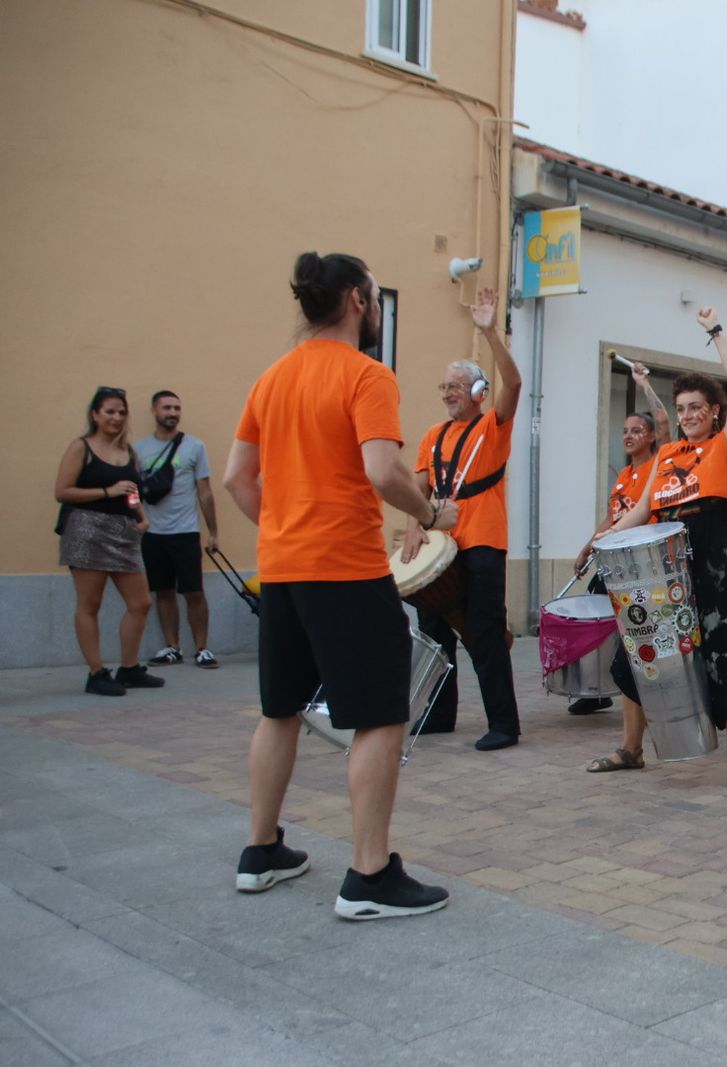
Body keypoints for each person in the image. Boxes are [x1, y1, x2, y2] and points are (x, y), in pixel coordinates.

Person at [224, 251, 458, 919]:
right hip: (348, 569)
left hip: (283, 569)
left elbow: (240, 479)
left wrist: (284, 528)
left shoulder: (271, 378)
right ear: (359, 300)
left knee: (280, 709)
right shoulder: (366, 374)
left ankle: (261, 850)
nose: (379, 310)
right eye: (376, 299)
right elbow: (383, 470)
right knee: (382, 716)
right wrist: (431, 514)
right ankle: (369, 875)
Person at [580, 307, 727, 793]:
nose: (689, 415)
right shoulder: (666, 455)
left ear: (715, 411)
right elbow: (645, 507)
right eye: (682, 407)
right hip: (661, 573)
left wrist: (715, 332)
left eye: (697, 407)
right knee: (639, 652)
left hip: (713, 570)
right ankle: (631, 750)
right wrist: (605, 539)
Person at [399, 290, 523, 752]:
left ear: (476, 392)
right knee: (433, 631)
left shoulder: (492, 425)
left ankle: (504, 725)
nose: (447, 393)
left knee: (485, 633)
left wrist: (489, 332)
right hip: (439, 545)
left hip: (483, 543)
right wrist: (414, 532)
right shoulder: (432, 436)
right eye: (444, 387)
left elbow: (514, 382)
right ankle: (438, 714)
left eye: (455, 386)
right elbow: (417, 489)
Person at [568, 362, 671, 715]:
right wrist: (587, 548)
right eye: (625, 430)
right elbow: (612, 516)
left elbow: (664, 422)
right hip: (612, 562)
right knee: (598, 615)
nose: (628, 436)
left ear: (651, 436)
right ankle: (596, 688)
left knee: (642, 625)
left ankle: (654, 686)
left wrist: (644, 385)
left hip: (642, 564)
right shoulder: (625, 473)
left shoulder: (659, 465)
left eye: (637, 430)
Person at [54, 387, 165, 696]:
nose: (116, 418)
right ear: (95, 415)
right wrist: (106, 492)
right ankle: (96, 672)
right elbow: (62, 491)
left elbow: (130, 489)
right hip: (87, 530)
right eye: (110, 412)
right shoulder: (82, 447)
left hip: (125, 533)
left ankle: (128, 669)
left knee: (140, 602)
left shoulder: (127, 451)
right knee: (90, 604)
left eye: (121, 412)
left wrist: (141, 514)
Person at [136, 391, 223, 669]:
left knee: (194, 592)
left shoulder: (194, 447)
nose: (172, 413)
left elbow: (205, 492)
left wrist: (213, 533)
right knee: (163, 591)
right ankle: (172, 647)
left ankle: (202, 648)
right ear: (154, 411)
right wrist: (136, 520)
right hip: (152, 532)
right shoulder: (138, 450)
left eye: (176, 408)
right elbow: (133, 492)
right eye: (167, 408)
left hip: (185, 532)